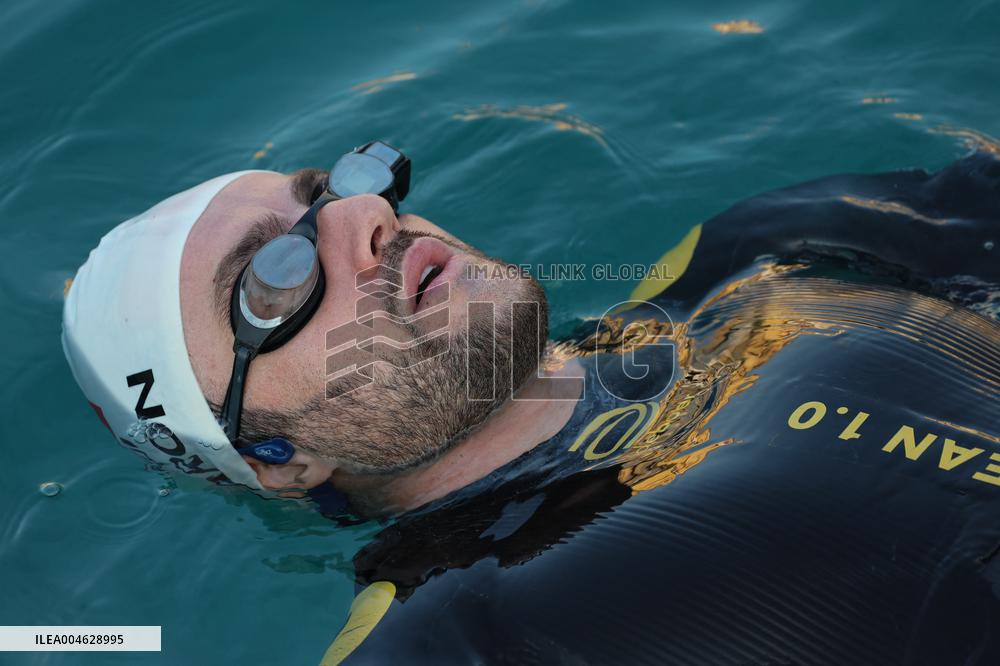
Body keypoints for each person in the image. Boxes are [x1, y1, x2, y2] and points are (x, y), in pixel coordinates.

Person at [64, 147, 999, 663]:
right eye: (273, 280)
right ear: (275, 459)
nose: (366, 218)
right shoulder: (446, 645)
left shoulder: (771, 255)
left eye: (329, 193)